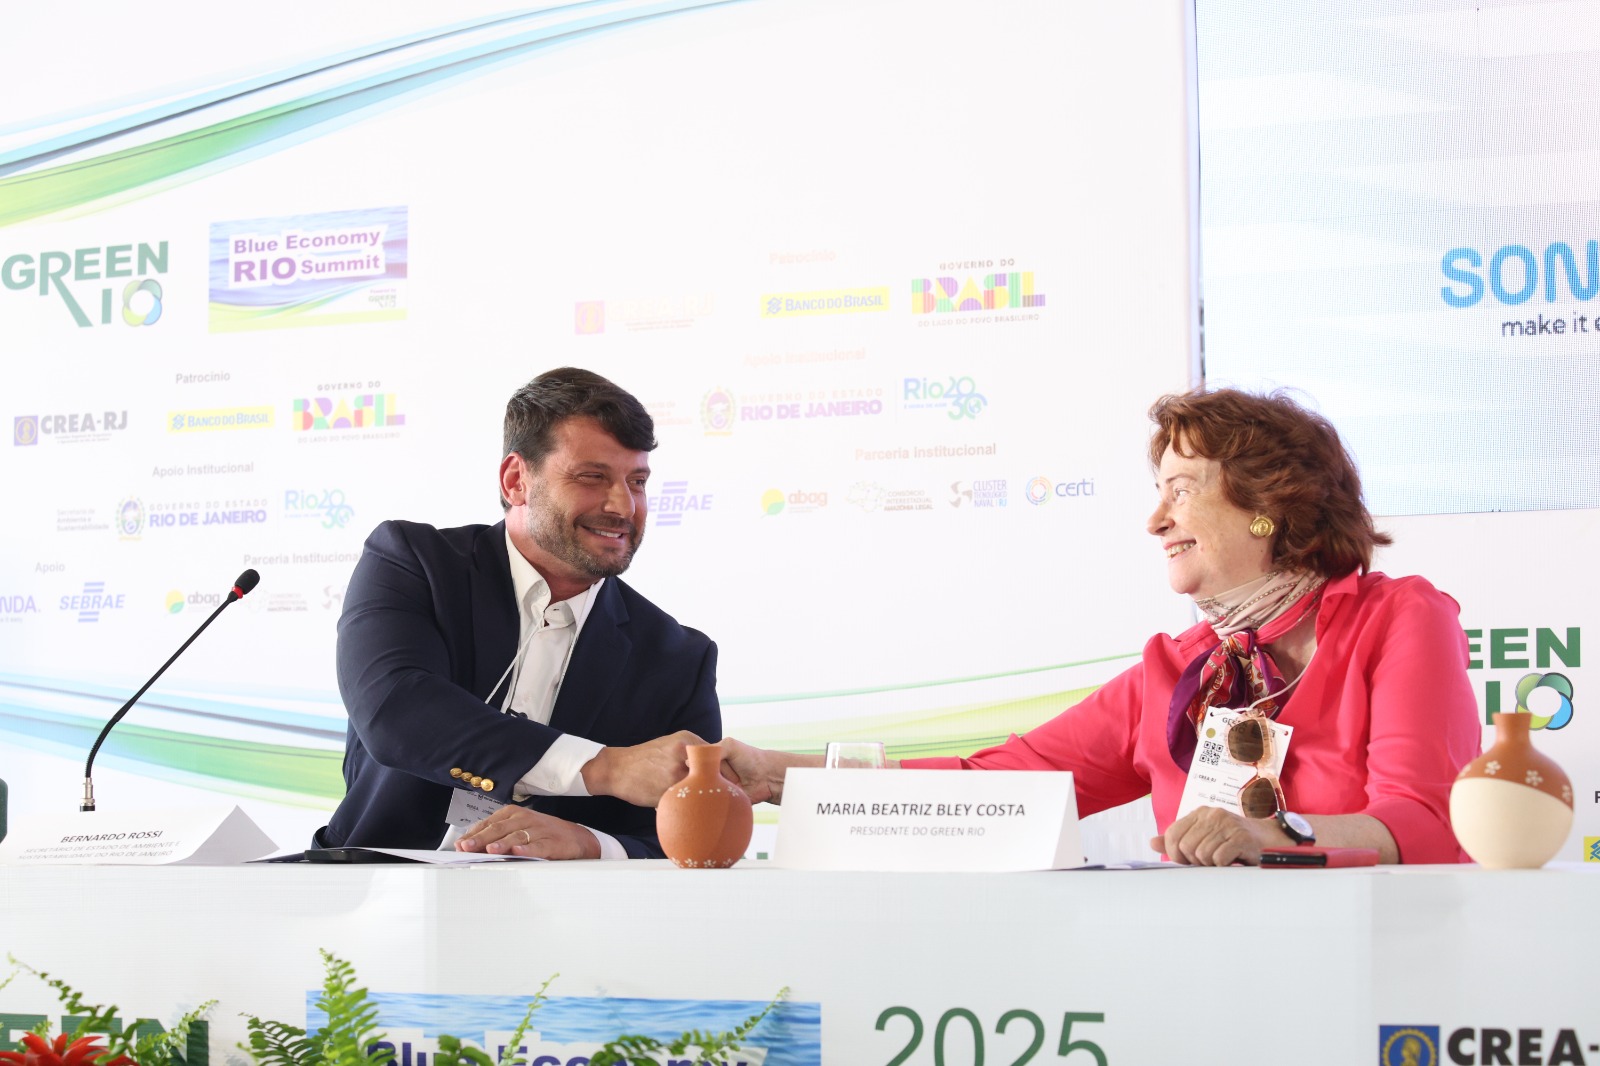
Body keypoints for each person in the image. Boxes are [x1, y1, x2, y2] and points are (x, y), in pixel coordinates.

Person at [722, 389, 1481, 866]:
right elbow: (994, 786)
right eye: (1158, 493)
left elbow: (1424, 822)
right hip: (1212, 979)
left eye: (1180, 491)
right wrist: (775, 775)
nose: (1156, 520)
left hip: (1370, 980)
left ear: (1267, 505)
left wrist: (1279, 836)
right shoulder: (1174, 675)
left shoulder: (1399, 618)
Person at [315, 368, 720, 859]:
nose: (623, 506)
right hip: (373, 883)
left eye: (637, 482)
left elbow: (694, 835)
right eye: (593, 477)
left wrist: (592, 844)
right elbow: (396, 712)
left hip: (564, 905)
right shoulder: (413, 563)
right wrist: (606, 767)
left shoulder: (677, 657)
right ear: (516, 480)